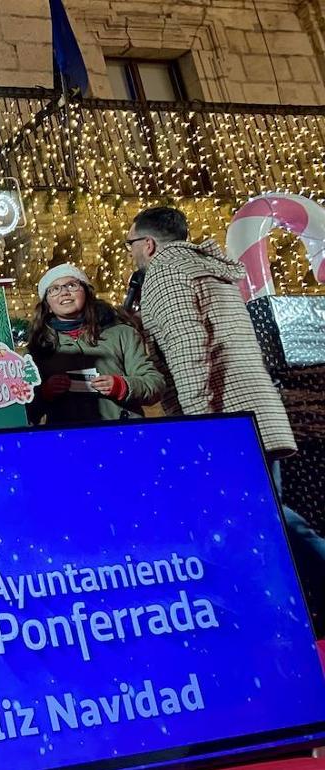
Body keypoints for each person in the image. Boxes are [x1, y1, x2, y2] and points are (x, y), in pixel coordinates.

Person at [128, 206, 325, 636]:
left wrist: (202, 428)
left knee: (255, 520)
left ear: (148, 244)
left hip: (223, 417)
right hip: (256, 411)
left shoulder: (164, 274)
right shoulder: (212, 270)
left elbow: (190, 352)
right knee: (270, 514)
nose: (131, 256)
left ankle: (270, 617)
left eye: (131, 246)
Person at [27, 264, 164, 424]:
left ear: (86, 291)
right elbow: (25, 410)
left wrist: (122, 386)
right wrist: (44, 392)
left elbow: (155, 383)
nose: (64, 292)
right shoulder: (38, 347)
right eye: (54, 289)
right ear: (47, 304)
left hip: (121, 432)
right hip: (69, 439)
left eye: (72, 285)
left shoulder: (122, 333)